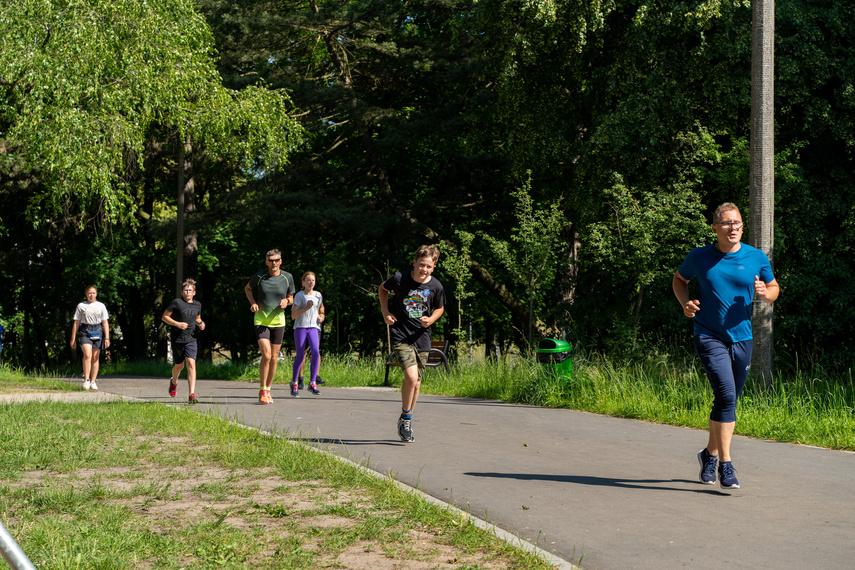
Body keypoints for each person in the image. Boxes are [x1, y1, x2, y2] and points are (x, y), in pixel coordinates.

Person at [672, 203, 780, 489]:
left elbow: (774, 289)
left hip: (742, 338)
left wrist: (764, 293)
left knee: (725, 402)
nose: (733, 227)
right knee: (727, 396)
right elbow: (679, 280)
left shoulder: (756, 257)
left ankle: (709, 454)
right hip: (708, 335)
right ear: (715, 228)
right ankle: (726, 465)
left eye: (738, 223)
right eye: (727, 223)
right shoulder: (699, 257)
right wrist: (686, 304)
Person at [378, 245, 446, 442]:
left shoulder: (436, 286)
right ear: (415, 262)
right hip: (401, 334)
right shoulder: (400, 279)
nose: (424, 269)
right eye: (422, 265)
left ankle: (406, 418)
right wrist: (386, 312)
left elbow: (439, 308)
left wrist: (431, 319)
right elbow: (382, 289)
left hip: (422, 337)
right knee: (410, 375)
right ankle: (406, 418)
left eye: (429, 267)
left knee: (416, 383)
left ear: (433, 268)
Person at [245, 249, 295, 404]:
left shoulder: (287, 277)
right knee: (266, 355)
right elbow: (247, 288)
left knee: (274, 358)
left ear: (280, 261)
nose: (274, 263)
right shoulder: (259, 277)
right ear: (266, 262)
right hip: (261, 319)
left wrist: (287, 301)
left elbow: (291, 297)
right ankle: (262, 389)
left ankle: (268, 389)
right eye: (271, 260)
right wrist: (253, 303)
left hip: (279, 321)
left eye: (277, 260)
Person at [162, 279, 206, 404]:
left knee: (191, 364)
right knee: (179, 366)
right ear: (182, 292)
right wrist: (178, 324)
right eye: (185, 290)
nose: (188, 292)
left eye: (190, 290)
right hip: (178, 339)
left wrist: (201, 324)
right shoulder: (176, 303)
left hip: (191, 339)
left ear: (194, 292)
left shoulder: (197, 305)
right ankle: (174, 381)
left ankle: (191, 394)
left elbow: (197, 318)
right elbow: (164, 317)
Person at [291, 271, 325, 396]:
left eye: (313, 280)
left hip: (314, 328)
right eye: (308, 280)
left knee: (316, 353)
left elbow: (321, 308)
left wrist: (321, 316)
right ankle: (294, 383)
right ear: (303, 282)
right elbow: (293, 315)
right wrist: (305, 308)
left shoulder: (318, 295)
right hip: (301, 327)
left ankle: (312, 383)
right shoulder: (300, 296)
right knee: (300, 356)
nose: (311, 283)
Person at [70, 285, 110, 391]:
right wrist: (73, 338)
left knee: (95, 357)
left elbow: (105, 322)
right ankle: (86, 380)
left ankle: (93, 381)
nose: (91, 295)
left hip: (98, 330)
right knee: (87, 354)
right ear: (86, 294)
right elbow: (76, 322)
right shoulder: (81, 306)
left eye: (93, 293)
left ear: (96, 294)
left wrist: (107, 338)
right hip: (85, 330)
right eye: (89, 293)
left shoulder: (101, 306)